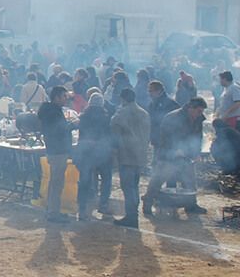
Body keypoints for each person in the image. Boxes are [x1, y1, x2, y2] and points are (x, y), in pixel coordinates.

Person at [143, 97, 209, 216]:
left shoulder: (198, 119)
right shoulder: (173, 117)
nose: (200, 114)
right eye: (199, 111)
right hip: (168, 156)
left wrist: (196, 153)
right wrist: (175, 149)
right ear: (190, 108)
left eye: (202, 111)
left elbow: (198, 137)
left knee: (190, 181)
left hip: (186, 156)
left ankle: (191, 205)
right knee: (158, 180)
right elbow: (165, 137)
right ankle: (147, 204)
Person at [110, 89, 150, 228]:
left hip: (126, 155)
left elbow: (114, 130)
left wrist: (114, 152)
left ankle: (131, 216)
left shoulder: (122, 113)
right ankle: (133, 215)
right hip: (140, 155)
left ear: (123, 99)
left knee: (128, 187)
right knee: (134, 186)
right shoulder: (144, 113)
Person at [37, 86, 77, 223]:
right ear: (57, 97)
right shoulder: (53, 112)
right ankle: (53, 213)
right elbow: (59, 130)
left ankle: (52, 209)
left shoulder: (49, 110)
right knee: (57, 183)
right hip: (58, 150)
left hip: (54, 149)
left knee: (55, 182)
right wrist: (73, 125)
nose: (66, 99)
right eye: (64, 96)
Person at [75, 93, 113, 220]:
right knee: (106, 179)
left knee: (84, 180)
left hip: (86, 152)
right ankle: (103, 204)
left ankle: (82, 209)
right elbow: (109, 136)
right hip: (102, 152)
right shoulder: (106, 116)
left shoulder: (83, 116)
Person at [148, 80, 180, 166]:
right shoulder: (153, 103)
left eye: (151, 91)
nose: (149, 93)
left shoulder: (170, 103)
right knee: (157, 162)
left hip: (168, 140)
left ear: (158, 91)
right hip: (157, 138)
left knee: (168, 164)